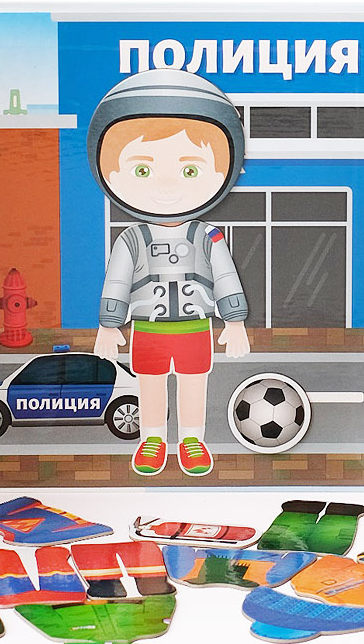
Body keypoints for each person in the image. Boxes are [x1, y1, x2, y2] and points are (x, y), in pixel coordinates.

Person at [87, 68, 251, 478]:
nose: (165, 186)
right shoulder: (132, 238)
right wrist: (109, 325)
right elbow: (118, 281)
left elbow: (225, 276)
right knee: (150, 384)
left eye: (190, 171)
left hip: (195, 326)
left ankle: (192, 439)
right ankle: (153, 438)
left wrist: (234, 321)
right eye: (142, 171)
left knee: (195, 383)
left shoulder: (207, 236)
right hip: (149, 328)